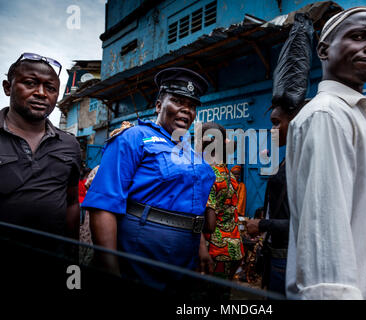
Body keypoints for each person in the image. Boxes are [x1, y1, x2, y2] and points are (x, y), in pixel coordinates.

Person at [285, 7, 366, 300]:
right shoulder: (328, 115)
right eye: (359, 36)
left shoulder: (353, 117)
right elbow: (325, 240)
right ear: (323, 50)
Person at [82, 67, 216, 291]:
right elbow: (103, 205)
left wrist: (201, 245)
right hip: (141, 252)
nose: (186, 109)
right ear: (158, 106)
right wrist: (111, 269)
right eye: (177, 101)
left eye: (191, 105)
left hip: (186, 255)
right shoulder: (135, 137)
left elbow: (192, 204)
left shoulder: (190, 151)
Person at [0, 52, 81, 240]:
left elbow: (71, 203)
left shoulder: (69, 144)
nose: (41, 93)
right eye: (30, 83)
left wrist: (71, 254)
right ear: (7, 87)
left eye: (50, 88)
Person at [246, 100, 307, 296]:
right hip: (277, 255)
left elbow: (306, 224)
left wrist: (263, 224)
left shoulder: (304, 162)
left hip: (289, 258)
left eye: (276, 123)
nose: (272, 129)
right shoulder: (289, 158)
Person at [198, 122, 244, 298]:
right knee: (223, 294)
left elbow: (209, 224)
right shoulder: (229, 175)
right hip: (233, 248)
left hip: (214, 251)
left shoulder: (208, 174)